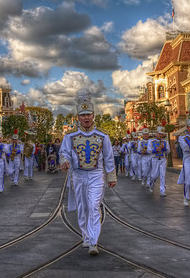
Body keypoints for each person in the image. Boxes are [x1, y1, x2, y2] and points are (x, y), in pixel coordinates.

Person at [60, 89, 117, 256]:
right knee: (83, 207)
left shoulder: (102, 136)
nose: (86, 118)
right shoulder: (69, 137)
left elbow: (108, 157)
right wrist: (64, 161)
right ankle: (85, 235)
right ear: (78, 117)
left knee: (93, 206)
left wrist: (111, 176)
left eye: (88, 114)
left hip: (96, 174)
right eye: (82, 115)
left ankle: (93, 241)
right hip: (77, 175)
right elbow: (64, 152)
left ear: (93, 116)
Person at [148, 126, 170, 196]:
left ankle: (162, 190)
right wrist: (155, 150)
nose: (160, 135)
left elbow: (168, 151)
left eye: (162, 134)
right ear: (156, 133)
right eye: (159, 134)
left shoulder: (165, 142)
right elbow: (149, 150)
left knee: (162, 175)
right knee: (154, 175)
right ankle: (151, 184)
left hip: (163, 159)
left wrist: (164, 148)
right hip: (155, 159)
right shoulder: (151, 141)